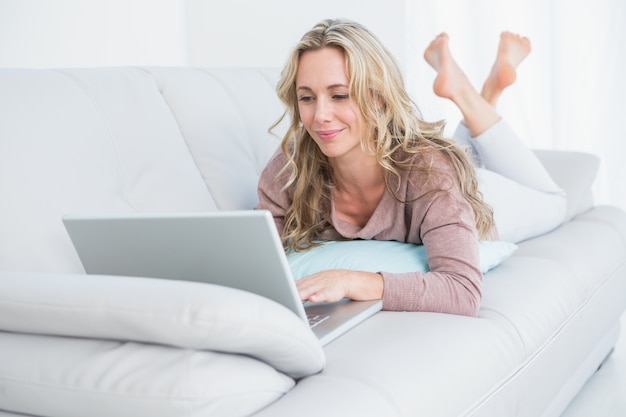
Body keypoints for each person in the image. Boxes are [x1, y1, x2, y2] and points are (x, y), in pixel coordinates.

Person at [256, 19, 565, 316]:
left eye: (339, 95)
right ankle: (489, 93)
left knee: (556, 202)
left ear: (378, 97)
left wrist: (353, 280)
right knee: (452, 157)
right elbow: (258, 259)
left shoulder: (429, 172)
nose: (320, 115)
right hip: (434, 176)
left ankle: (467, 94)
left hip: (482, 196)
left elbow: (463, 292)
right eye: (307, 97)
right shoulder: (292, 166)